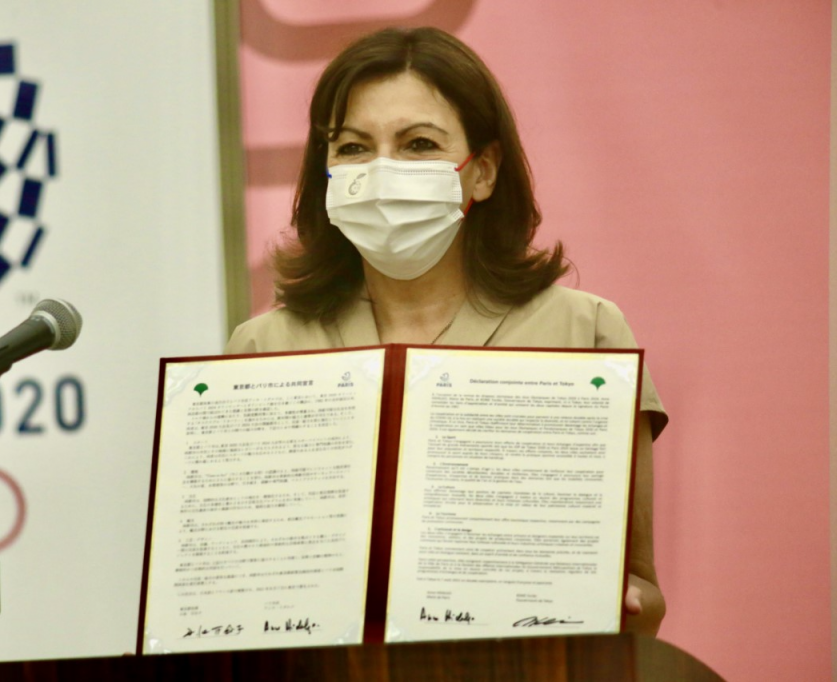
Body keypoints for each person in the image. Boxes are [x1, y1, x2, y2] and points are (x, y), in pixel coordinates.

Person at [225, 26, 667, 635]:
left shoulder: (584, 332)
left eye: (418, 144)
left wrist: (616, 602)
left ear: (482, 172)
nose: (383, 171)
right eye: (353, 148)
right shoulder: (261, 350)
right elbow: (237, 583)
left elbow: (641, 585)